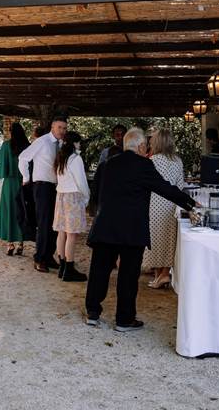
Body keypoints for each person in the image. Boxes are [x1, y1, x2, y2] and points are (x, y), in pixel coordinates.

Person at [85, 128, 196, 331]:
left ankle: (93, 312)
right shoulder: (143, 165)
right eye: (146, 145)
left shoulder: (106, 165)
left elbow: (96, 193)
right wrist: (190, 203)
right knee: (128, 275)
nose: (147, 148)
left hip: (106, 225)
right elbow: (165, 188)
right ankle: (124, 320)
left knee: (99, 271)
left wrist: (99, 215)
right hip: (131, 228)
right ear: (141, 146)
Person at [19, 116, 68, 273]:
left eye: (64, 128)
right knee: (44, 223)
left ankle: (48, 256)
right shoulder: (42, 141)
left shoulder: (61, 144)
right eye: (59, 127)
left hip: (57, 187)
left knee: (56, 224)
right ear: (53, 127)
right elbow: (23, 158)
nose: (62, 131)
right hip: (42, 187)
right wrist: (27, 178)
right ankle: (39, 258)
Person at [141, 128, 185, 289]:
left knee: (154, 239)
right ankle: (163, 274)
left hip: (153, 203)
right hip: (171, 204)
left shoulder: (153, 160)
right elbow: (180, 185)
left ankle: (162, 275)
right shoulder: (177, 161)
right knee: (168, 239)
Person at [53, 131, 89, 282]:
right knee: (72, 235)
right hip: (73, 196)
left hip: (61, 196)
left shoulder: (61, 157)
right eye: (79, 142)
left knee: (62, 232)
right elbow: (81, 181)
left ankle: (62, 267)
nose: (80, 145)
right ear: (74, 143)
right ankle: (69, 268)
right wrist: (87, 196)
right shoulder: (76, 159)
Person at [0, 123, 30, 256]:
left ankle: (10, 244)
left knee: (9, 211)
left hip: (10, 183)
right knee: (23, 212)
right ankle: (21, 243)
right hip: (24, 183)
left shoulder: (6, 145)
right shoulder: (28, 146)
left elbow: (1, 166)